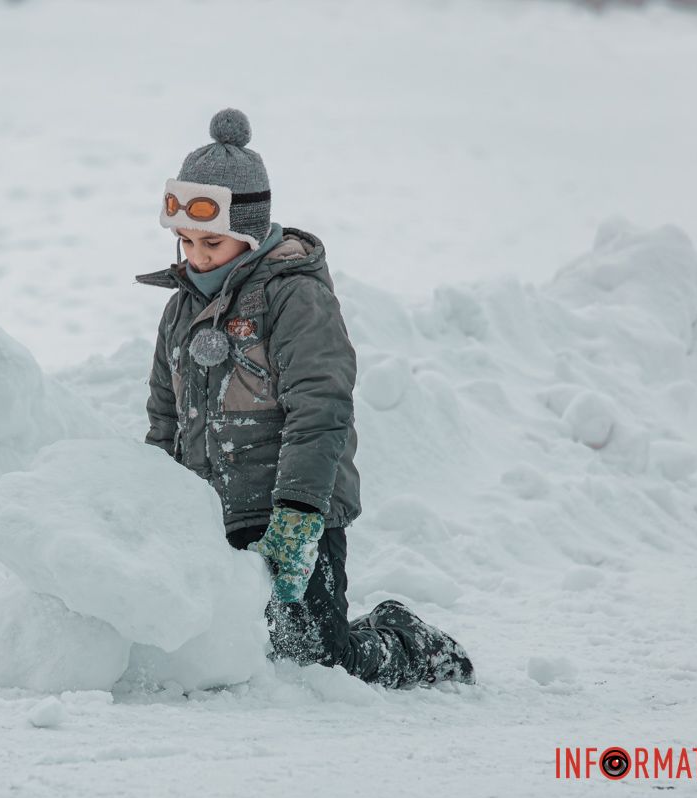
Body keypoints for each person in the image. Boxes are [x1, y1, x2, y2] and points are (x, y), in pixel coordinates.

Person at [136, 108, 475, 689]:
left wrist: (298, 513)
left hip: (292, 507)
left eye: (212, 241)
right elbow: (164, 416)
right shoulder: (180, 309)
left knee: (314, 659)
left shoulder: (294, 297)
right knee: (242, 653)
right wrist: (156, 502)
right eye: (185, 240)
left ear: (248, 233)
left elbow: (321, 407)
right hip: (212, 514)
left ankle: (410, 643)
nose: (196, 256)